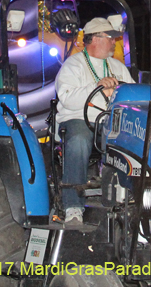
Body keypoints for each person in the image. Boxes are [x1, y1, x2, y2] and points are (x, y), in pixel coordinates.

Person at [54, 17, 133, 226]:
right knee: (79, 140)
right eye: (110, 37)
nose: (114, 42)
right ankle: (73, 207)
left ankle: (131, 201)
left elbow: (133, 95)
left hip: (110, 122)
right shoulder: (73, 65)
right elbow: (67, 98)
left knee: (134, 141)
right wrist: (97, 87)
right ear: (95, 39)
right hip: (79, 119)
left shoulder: (117, 67)